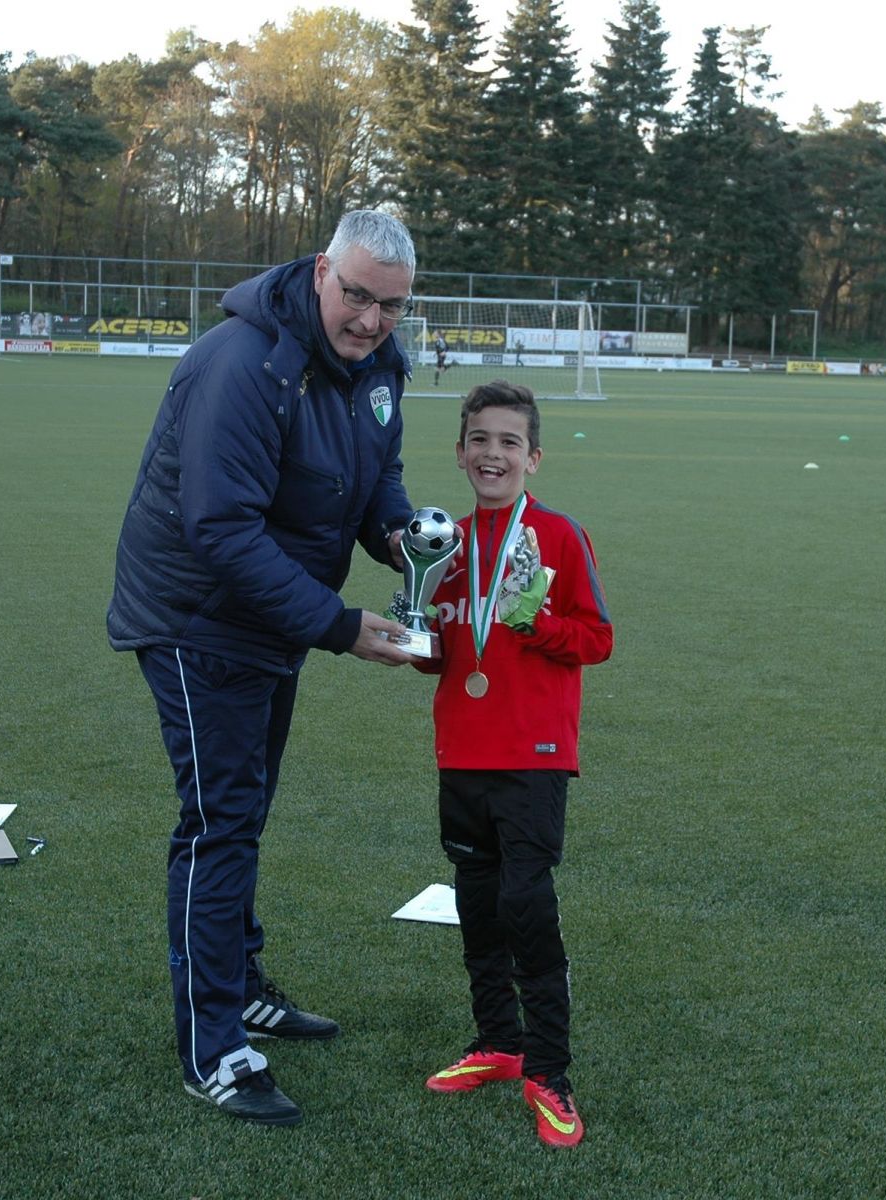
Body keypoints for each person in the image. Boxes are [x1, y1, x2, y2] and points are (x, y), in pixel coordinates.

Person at [107, 210, 419, 1128]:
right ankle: (214, 1047)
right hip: (197, 618)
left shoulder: (379, 364)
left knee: (243, 811)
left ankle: (240, 987)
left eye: (391, 306)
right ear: (322, 270)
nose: (370, 320)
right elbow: (220, 528)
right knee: (219, 823)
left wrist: (408, 544)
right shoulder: (243, 363)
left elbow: (377, 478)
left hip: (268, 620)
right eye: (356, 295)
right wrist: (336, 624)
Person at [414, 380, 613, 1148]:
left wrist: (537, 623)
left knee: (526, 907)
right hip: (461, 752)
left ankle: (550, 1073)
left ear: (533, 457)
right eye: (479, 440)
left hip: (534, 758)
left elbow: (597, 639)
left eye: (508, 442)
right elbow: (440, 653)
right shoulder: (444, 543)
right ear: (460, 452)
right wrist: (413, 636)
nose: (491, 454)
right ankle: (497, 1041)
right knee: (477, 904)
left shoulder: (558, 537)